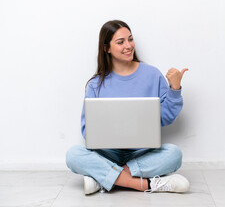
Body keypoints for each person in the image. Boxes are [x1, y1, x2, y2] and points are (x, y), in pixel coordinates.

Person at [65, 20, 190, 195]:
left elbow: (166, 117)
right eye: (120, 42)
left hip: (141, 154)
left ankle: (103, 180)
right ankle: (147, 185)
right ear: (107, 48)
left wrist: (175, 89)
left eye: (130, 39)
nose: (128, 46)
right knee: (73, 155)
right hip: (107, 154)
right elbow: (87, 131)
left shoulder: (152, 75)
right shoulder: (95, 84)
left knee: (174, 154)